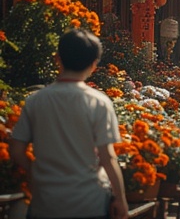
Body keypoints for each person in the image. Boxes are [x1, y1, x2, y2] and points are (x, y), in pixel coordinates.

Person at [9, 29, 129, 219]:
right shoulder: (99, 102)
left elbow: (16, 150)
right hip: (89, 203)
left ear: (58, 59)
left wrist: (34, 172)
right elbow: (108, 158)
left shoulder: (36, 100)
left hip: (45, 203)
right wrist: (121, 199)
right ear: (94, 64)